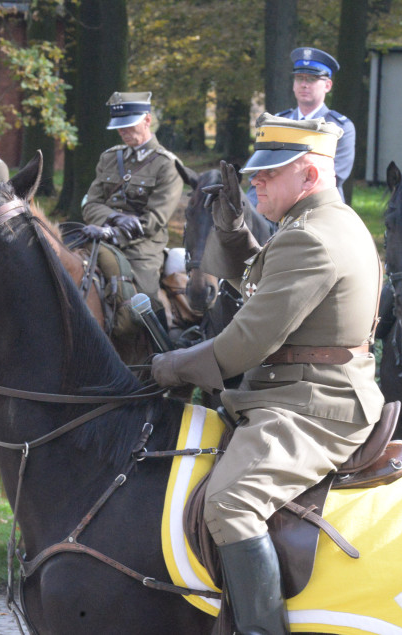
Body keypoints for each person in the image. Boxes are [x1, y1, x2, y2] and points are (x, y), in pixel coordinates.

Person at [151, 114, 384, 634]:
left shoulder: (313, 238)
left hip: (313, 406)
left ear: (309, 175)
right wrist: (233, 234)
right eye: (256, 172)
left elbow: (246, 342)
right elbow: (269, 281)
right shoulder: (312, 226)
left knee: (230, 502)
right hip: (293, 390)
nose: (256, 180)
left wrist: (169, 367)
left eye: (269, 172)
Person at [81, 91, 183, 299]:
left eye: (129, 124)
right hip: (98, 237)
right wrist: (114, 218)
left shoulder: (167, 165)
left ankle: (156, 331)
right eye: (119, 126)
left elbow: (153, 220)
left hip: (141, 247)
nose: (122, 131)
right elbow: (90, 205)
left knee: (143, 302)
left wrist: (113, 233)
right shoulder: (109, 158)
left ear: (147, 120)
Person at [273, 47, 356, 202]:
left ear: (327, 85)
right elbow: (261, 172)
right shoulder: (278, 123)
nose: (304, 84)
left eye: (311, 79)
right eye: (299, 78)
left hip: (321, 207)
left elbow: (333, 177)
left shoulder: (341, 128)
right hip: (276, 208)